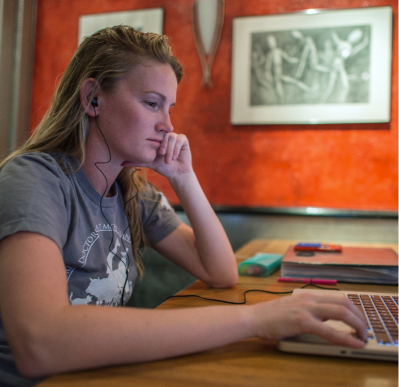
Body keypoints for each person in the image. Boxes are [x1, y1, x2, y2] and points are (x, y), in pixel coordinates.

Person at [0, 25, 367, 386]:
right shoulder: (34, 180)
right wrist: (256, 320)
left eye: (169, 108)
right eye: (151, 104)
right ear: (92, 98)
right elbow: (40, 342)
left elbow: (221, 271)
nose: (168, 125)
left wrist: (184, 177)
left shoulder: (132, 192)